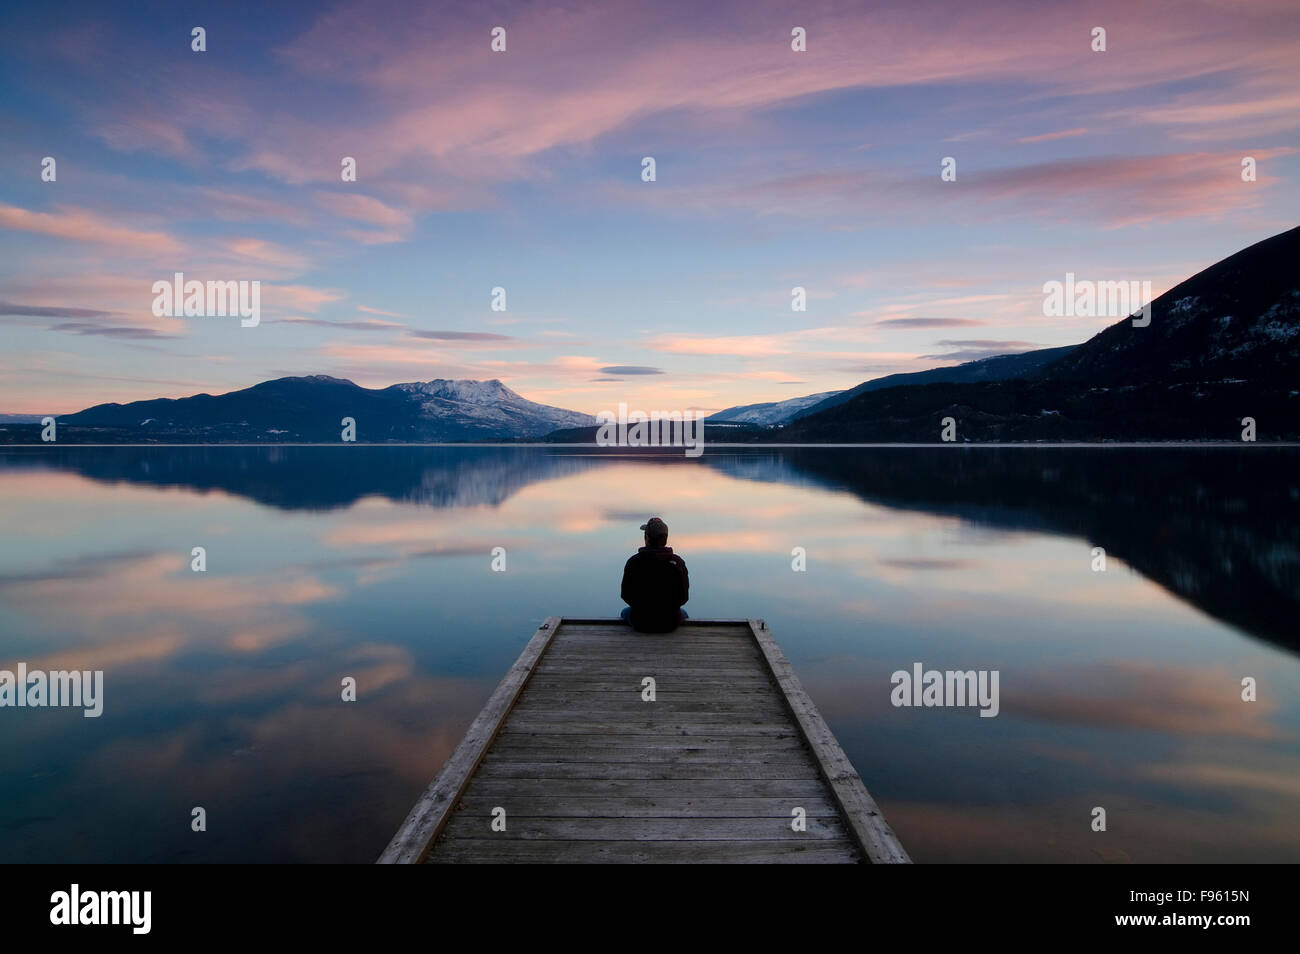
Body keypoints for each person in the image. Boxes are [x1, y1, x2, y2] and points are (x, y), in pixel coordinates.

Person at [619, 516, 689, 633]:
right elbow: (684, 598)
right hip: (670, 623)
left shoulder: (633, 562)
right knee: (684, 613)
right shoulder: (678, 563)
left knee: (624, 611)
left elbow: (625, 595)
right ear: (665, 539)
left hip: (641, 622)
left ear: (646, 537)